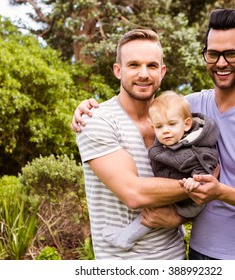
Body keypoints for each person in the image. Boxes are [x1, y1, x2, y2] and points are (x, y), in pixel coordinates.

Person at [72, 9, 235, 260]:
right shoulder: (191, 106)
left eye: (231, 53)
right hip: (195, 254)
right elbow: (135, 188)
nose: (221, 62)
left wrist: (219, 191)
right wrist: (87, 108)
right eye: (213, 54)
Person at [75, 28, 195, 260]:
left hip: (175, 258)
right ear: (118, 71)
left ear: (162, 72)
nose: (143, 74)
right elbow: (134, 194)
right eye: (133, 65)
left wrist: (180, 217)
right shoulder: (97, 121)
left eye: (151, 66)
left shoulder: (177, 120)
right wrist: (202, 185)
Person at [102, 91, 219, 250]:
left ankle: (126, 237)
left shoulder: (194, 148)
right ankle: (178, 229)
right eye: (159, 126)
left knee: (153, 212)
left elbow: (206, 165)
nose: (165, 130)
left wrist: (195, 179)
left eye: (172, 124)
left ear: (186, 124)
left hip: (190, 202)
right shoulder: (168, 142)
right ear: (153, 127)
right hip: (175, 196)